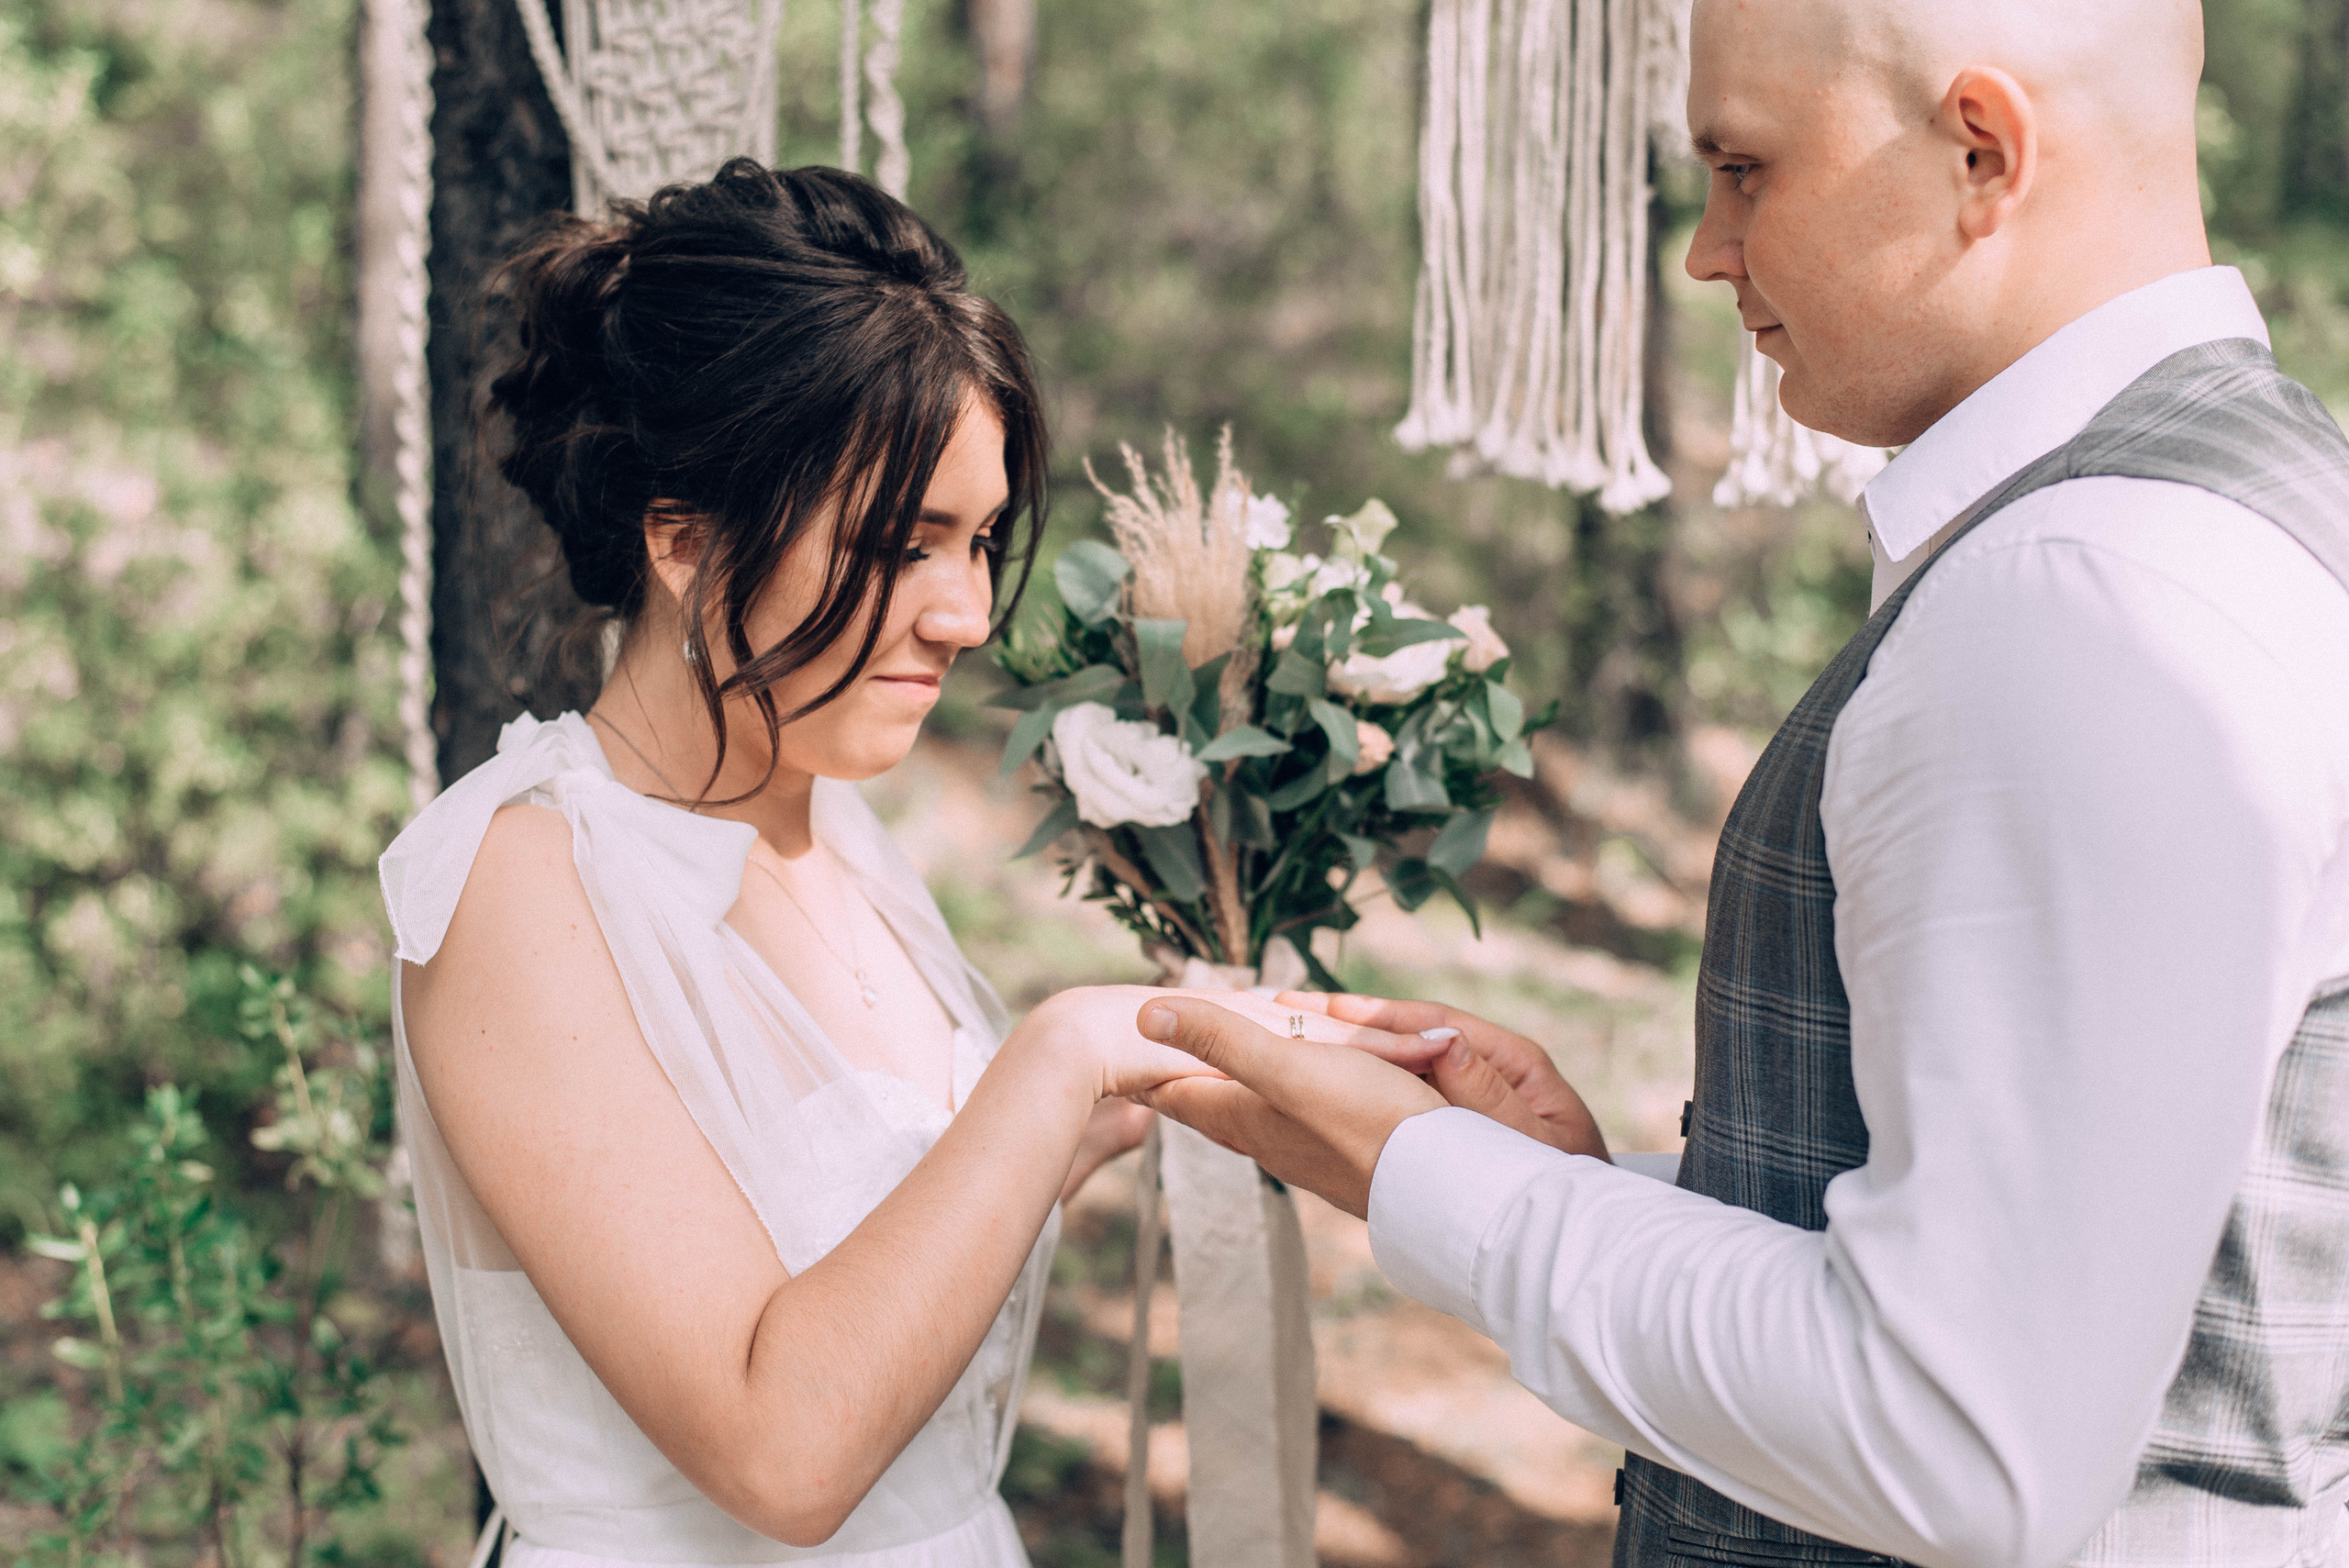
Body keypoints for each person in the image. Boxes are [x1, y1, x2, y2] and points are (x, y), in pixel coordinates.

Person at [1130, 3, 2349, 1565]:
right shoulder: (2244, 500)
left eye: (1744, 167)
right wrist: (1584, 1186)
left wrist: (1422, 1176)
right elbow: (2112, 1250)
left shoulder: (2078, 597)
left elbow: (1959, 1443)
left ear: (1983, 150)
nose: (1707, 252)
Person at [379, 161, 1398, 1568]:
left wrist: (1186, 1072)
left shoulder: (832, 824)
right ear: (681, 535)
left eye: (979, 542)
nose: (969, 612)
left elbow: (905, 1219)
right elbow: (778, 1450)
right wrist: (1058, 1059)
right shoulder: (520, 884)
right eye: (901, 544)